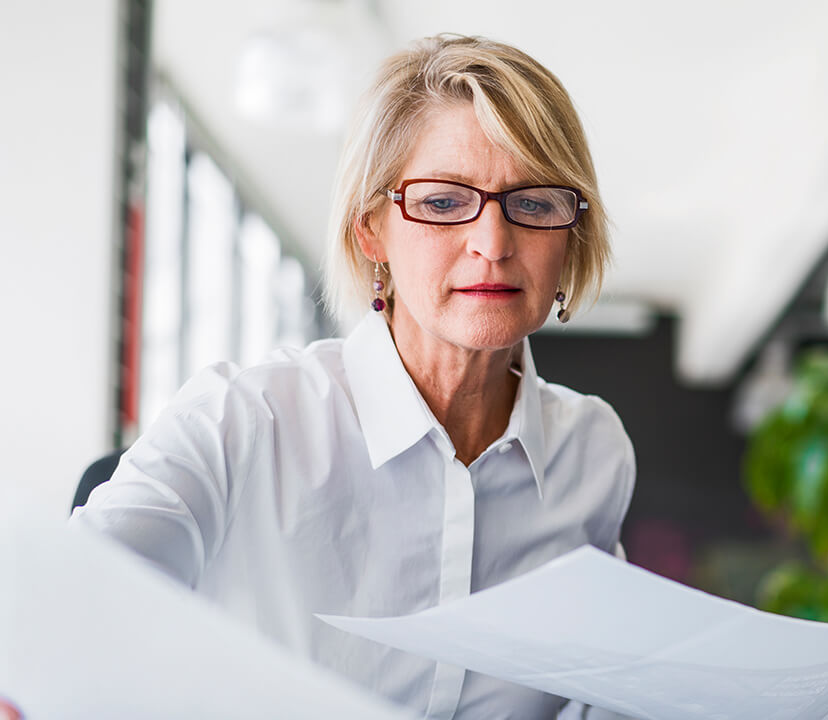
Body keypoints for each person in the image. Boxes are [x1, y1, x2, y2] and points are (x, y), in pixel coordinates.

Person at [70, 34, 635, 719]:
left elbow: (593, 688)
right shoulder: (244, 421)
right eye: (443, 202)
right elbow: (57, 625)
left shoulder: (593, 454)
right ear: (372, 231)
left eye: (536, 203)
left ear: (571, 231)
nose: (492, 243)